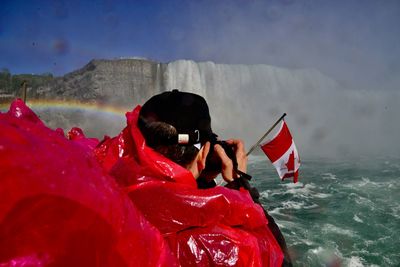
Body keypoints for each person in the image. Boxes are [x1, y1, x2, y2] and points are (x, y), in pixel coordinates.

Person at [95, 89, 291, 266]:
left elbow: (166, 197)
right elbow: (279, 258)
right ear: (204, 153)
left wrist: (200, 181)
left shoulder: (102, 194)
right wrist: (240, 182)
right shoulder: (220, 246)